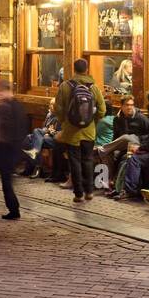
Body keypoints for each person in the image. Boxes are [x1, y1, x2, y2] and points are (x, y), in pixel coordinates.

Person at [53, 58, 105, 203]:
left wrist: (65, 122)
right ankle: (89, 191)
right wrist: (92, 121)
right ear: (87, 69)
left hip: (71, 132)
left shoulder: (65, 86)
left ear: (74, 69)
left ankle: (78, 194)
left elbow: (58, 108)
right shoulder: (94, 87)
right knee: (87, 159)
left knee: (74, 162)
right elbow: (102, 109)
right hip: (89, 131)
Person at [0, 80, 29, 219]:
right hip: (4, 150)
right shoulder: (5, 106)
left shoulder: (13, 107)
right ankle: (13, 209)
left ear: (7, 90)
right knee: (6, 181)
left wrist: (15, 148)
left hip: (8, 150)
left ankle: (14, 210)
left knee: (6, 181)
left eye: (0, 91)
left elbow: (19, 129)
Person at [95, 94, 149, 182]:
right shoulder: (117, 119)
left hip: (138, 144)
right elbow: (116, 136)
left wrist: (140, 142)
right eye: (127, 105)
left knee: (126, 137)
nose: (129, 107)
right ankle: (110, 180)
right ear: (122, 106)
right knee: (107, 154)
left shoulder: (141, 118)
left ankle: (101, 149)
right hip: (123, 146)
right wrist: (113, 150)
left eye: (131, 105)